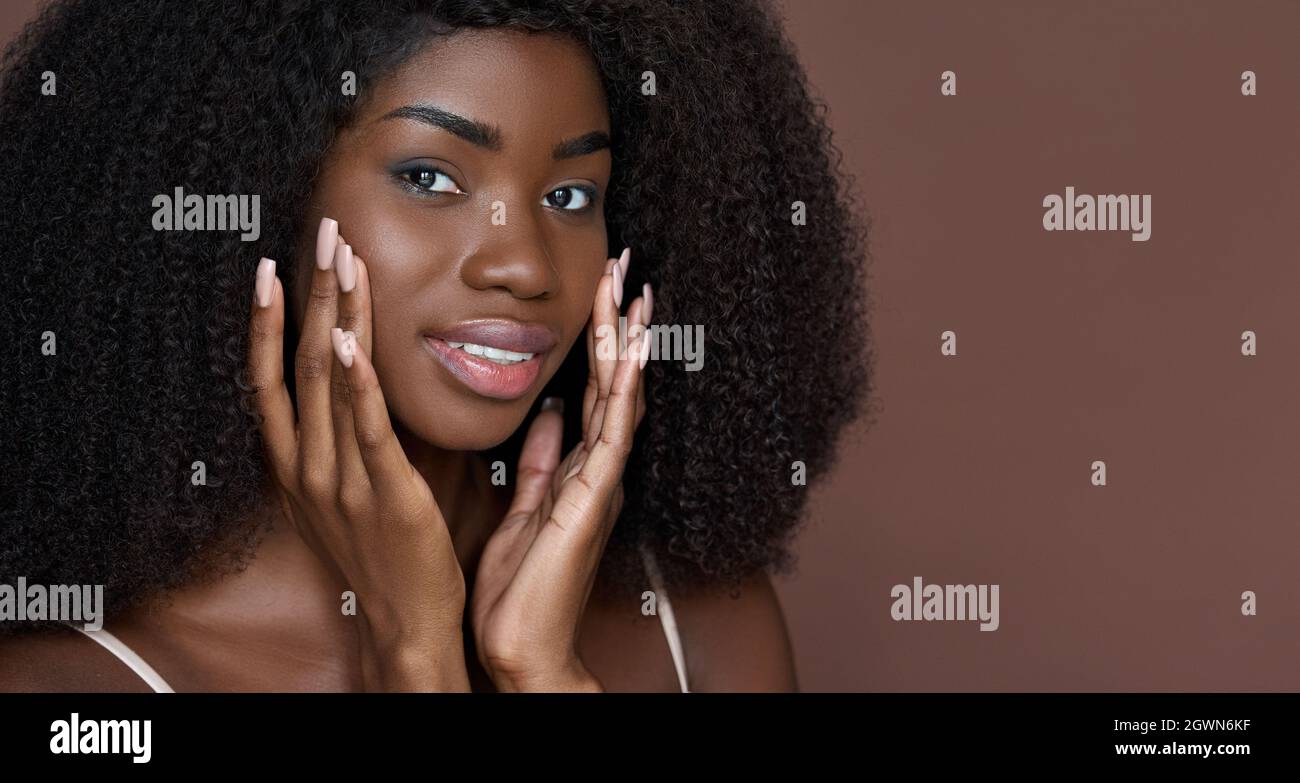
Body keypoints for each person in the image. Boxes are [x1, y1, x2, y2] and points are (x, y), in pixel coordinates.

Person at [0, 0, 872, 691]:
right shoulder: (77, 686)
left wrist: (542, 675)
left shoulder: (701, 628)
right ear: (267, 192)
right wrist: (411, 650)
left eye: (572, 196)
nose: (524, 264)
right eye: (429, 178)